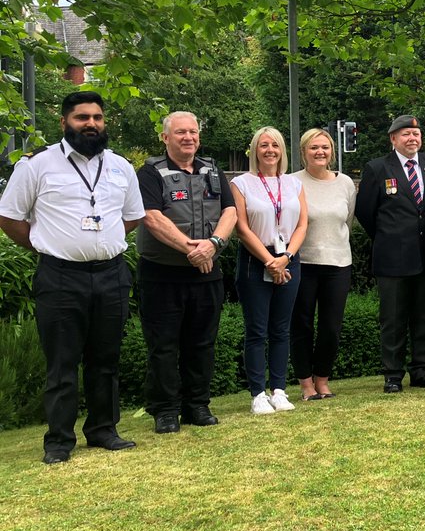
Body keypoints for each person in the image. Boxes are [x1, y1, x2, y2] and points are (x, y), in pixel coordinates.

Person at [0, 91, 145, 464]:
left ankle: (103, 430)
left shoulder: (120, 167)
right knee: (62, 362)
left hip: (111, 274)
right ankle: (59, 441)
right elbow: (10, 218)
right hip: (60, 277)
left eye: (97, 117)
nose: (91, 124)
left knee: (105, 359)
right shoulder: (36, 166)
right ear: (64, 122)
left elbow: (130, 217)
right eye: (82, 118)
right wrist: (47, 246)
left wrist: (101, 243)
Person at [135, 110, 237, 433]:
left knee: (202, 343)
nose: (188, 137)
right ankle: (165, 410)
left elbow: (231, 211)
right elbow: (150, 217)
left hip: (207, 274)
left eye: (193, 132)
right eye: (180, 133)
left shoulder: (213, 169)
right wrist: (192, 249)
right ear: (165, 138)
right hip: (161, 275)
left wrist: (214, 244)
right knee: (163, 346)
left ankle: (197, 405)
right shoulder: (150, 173)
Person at [355, 114, 425, 392]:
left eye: (415, 134)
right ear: (393, 139)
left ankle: (421, 371)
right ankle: (393, 375)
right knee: (393, 319)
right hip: (393, 258)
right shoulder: (377, 168)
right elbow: (365, 212)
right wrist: (390, 237)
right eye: (405, 134)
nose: (412, 139)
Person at [231, 126, 308, 415]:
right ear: (254, 150)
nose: (269, 150)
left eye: (274, 145)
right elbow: (241, 227)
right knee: (257, 330)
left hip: (289, 257)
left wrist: (286, 257)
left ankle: (279, 389)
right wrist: (269, 261)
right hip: (256, 259)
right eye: (263, 145)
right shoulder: (241, 183)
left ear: (282, 151)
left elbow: (302, 224)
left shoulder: (293, 184)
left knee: (281, 329)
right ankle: (257, 394)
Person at [291, 127, 357, 401]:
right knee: (301, 325)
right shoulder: (292, 182)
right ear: (303, 152)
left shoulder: (345, 183)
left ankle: (323, 379)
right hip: (303, 262)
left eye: (325, 147)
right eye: (314, 147)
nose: (320, 152)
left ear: (332, 151)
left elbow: (348, 220)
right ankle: (306, 384)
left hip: (338, 263)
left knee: (331, 326)